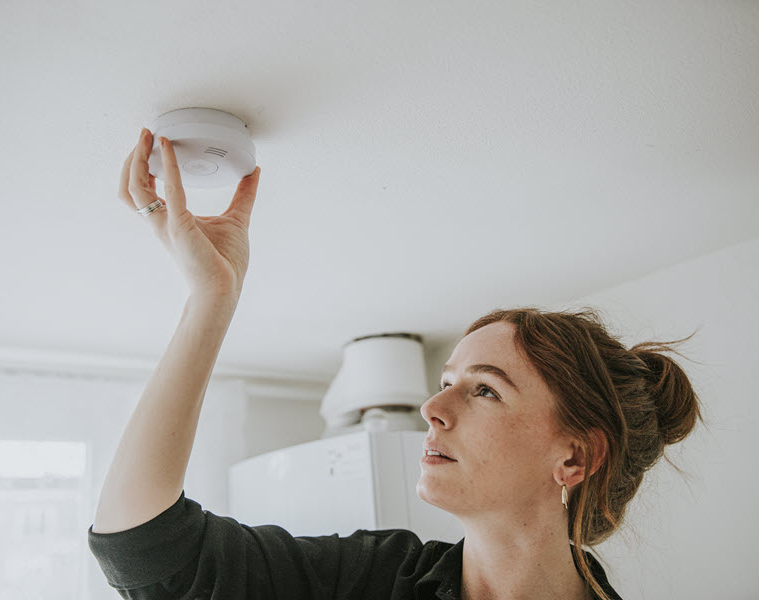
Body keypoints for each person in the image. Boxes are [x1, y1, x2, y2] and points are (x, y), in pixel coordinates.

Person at [87, 128, 703, 600]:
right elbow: (143, 548)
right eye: (445, 384)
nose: (432, 410)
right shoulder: (371, 579)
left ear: (573, 456)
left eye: (484, 390)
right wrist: (211, 299)